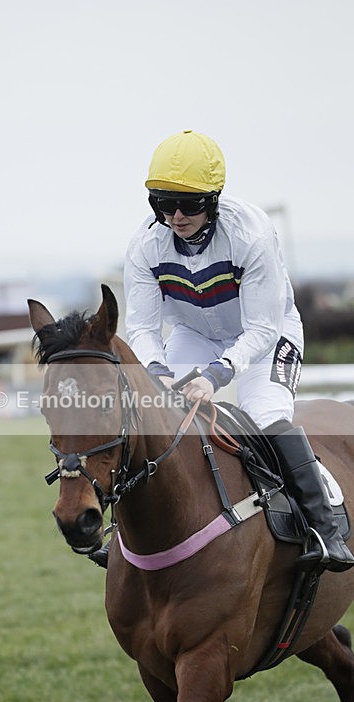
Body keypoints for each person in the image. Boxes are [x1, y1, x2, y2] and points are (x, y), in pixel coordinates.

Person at [94, 129, 352, 572]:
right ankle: (121, 532)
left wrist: (216, 376)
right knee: (153, 415)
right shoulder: (144, 245)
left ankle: (325, 527)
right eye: (162, 203)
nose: (175, 216)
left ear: (213, 199)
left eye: (189, 204)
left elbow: (260, 327)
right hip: (194, 334)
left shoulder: (251, 235)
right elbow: (142, 326)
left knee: (265, 414)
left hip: (265, 337)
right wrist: (157, 373)